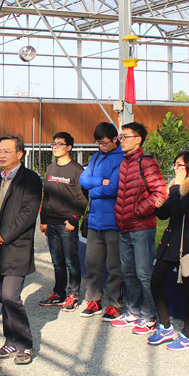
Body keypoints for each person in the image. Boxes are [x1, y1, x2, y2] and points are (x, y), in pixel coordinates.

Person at [0, 135, 42, 365]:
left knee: (10, 296)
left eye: (6, 151)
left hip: (16, 248)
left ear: (20, 154)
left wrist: (3, 235)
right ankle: (10, 341)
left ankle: (25, 344)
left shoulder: (31, 179)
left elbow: (28, 214)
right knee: (2, 297)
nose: (1, 155)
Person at [148, 151, 189, 351]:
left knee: (188, 291)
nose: (175, 168)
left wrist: (175, 188)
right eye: (175, 164)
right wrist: (159, 206)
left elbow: (180, 209)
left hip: (186, 244)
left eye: (179, 165)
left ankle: (187, 334)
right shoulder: (176, 187)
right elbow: (166, 214)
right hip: (170, 242)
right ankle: (165, 325)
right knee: (156, 283)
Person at [112, 122, 167, 334]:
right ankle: (133, 312)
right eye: (121, 136)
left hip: (141, 227)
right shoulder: (124, 163)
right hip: (124, 226)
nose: (121, 140)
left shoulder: (147, 163)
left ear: (138, 139)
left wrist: (138, 210)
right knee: (129, 273)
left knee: (144, 274)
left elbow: (160, 192)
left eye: (126, 136)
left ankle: (149, 316)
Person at [78, 122, 125, 320]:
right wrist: (101, 182)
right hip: (94, 221)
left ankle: (115, 304)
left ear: (115, 139)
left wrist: (94, 188)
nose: (102, 146)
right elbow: (83, 180)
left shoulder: (122, 158)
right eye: (99, 143)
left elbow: (114, 188)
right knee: (93, 264)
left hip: (114, 221)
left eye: (105, 143)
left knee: (114, 266)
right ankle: (94, 300)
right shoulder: (96, 157)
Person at [39, 132, 88, 312]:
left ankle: (73, 295)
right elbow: (46, 196)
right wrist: (43, 220)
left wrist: (73, 220)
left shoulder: (77, 170)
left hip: (67, 224)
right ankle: (59, 293)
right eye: (54, 144)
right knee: (57, 262)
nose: (56, 147)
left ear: (69, 147)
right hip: (51, 223)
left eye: (60, 144)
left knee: (70, 261)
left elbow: (82, 199)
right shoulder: (51, 168)